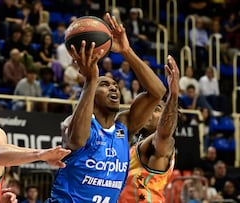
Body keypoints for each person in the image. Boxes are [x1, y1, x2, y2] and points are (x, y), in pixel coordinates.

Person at [46, 13, 166, 202]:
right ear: (91, 93)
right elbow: (77, 139)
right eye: (105, 84)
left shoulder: (124, 126)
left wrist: (127, 51)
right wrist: (91, 79)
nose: (113, 87)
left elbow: (157, 92)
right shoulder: (73, 122)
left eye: (115, 86)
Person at [118, 55, 179, 202]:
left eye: (156, 109)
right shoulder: (130, 144)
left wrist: (174, 95)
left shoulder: (163, 144)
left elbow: (163, 135)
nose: (149, 112)